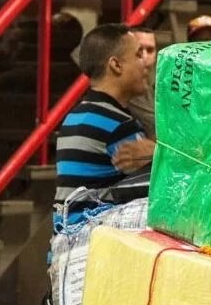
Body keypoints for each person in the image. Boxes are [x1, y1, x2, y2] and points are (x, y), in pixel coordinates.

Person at [55, 23, 153, 212]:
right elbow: (159, 184)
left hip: (65, 231)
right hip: (90, 231)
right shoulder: (117, 124)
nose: (146, 64)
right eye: (138, 55)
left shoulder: (77, 115)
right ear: (116, 65)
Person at [126, 25, 157, 139]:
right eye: (139, 50)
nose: (144, 57)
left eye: (150, 50)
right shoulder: (123, 92)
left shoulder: (160, 89)